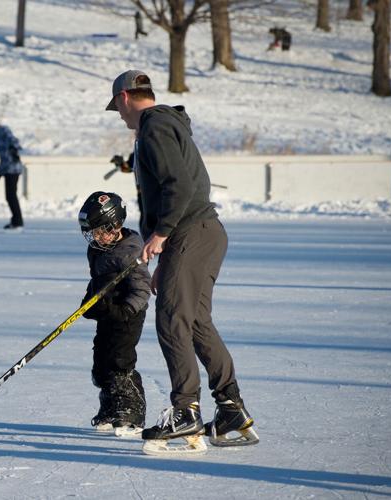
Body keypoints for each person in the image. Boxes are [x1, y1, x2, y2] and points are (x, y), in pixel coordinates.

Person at [105, 70, 258, 454]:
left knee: (172, 319)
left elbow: (180, 185)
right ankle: (230, 409)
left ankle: (185, 409)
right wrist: (166, 255)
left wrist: (161, 235)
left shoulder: (154, 126)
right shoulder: (165, 124)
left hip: (190, 231)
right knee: (195, 321)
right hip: (201, 234)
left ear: (125, 97)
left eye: (118, 109)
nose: (120, 117)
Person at [78, 191, 151, 437]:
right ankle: (110, 407)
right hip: (108, 312)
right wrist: (91, 300)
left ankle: (130, 411)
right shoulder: (97, 249)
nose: (95, 237)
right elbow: (98, 280)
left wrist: (126, 310)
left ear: (115, 224)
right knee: (101, 361)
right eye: (92, 232)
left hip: (128, 313)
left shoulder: (130, 252)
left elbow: (142, 288)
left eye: (100, 231)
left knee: (120, 360)